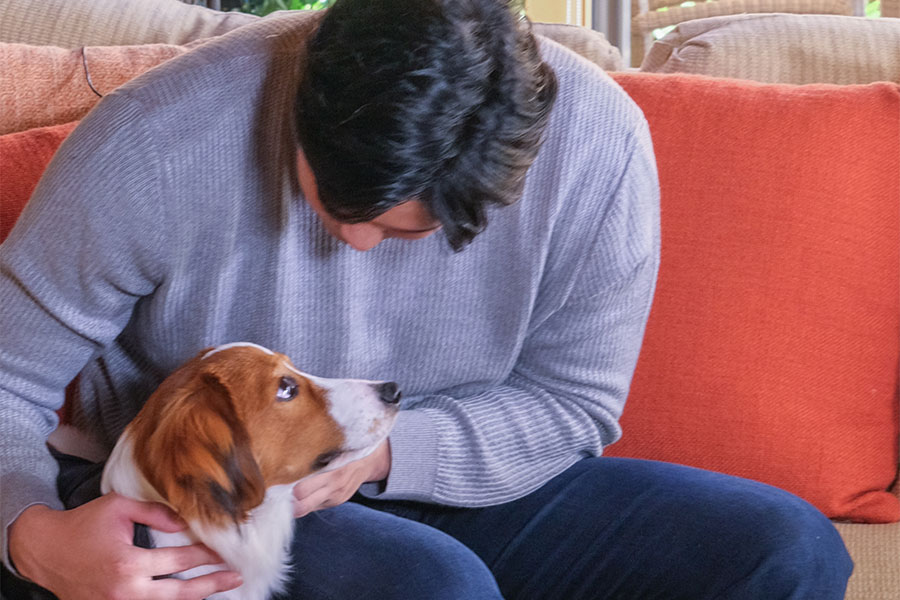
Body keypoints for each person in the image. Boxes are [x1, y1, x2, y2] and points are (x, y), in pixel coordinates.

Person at [0, 0, 853, 598]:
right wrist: (31, 539)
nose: (360, 245)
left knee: (784, 550)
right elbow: (7, 378)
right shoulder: (156, 139)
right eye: (337, 205)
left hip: (453, 468)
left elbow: (573, 405)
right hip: (222, 494)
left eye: (404, 234)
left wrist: (377, 454)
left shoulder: (601, 150)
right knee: (430, 586)